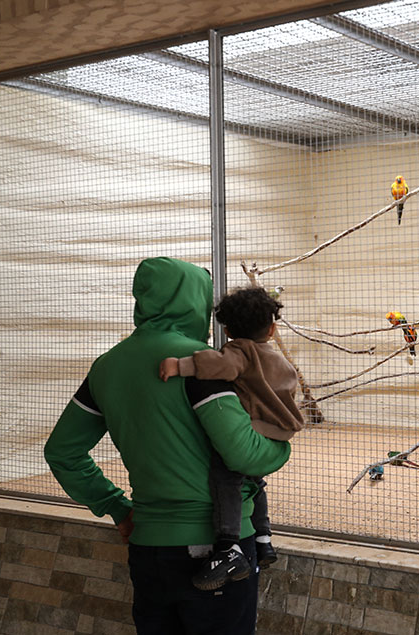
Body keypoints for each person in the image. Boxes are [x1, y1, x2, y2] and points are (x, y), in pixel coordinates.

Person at [44, 257, 291, 634]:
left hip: (148, 548)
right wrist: (283, 448)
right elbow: (243, 454)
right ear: (195, 302)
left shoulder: (107, 366)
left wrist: (116, 507)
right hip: (217, 549)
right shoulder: (201, 363)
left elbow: (62, 451)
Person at [159, 286, 305, 590]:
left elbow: (220, 366)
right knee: (254, 481)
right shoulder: (276, 358)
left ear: (226, 330)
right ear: (272, 327)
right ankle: (263, 539)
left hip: (257, 427)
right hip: (281, 430)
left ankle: (228, 546)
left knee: (226, 474)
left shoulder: (241, 352)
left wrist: (181, 365)